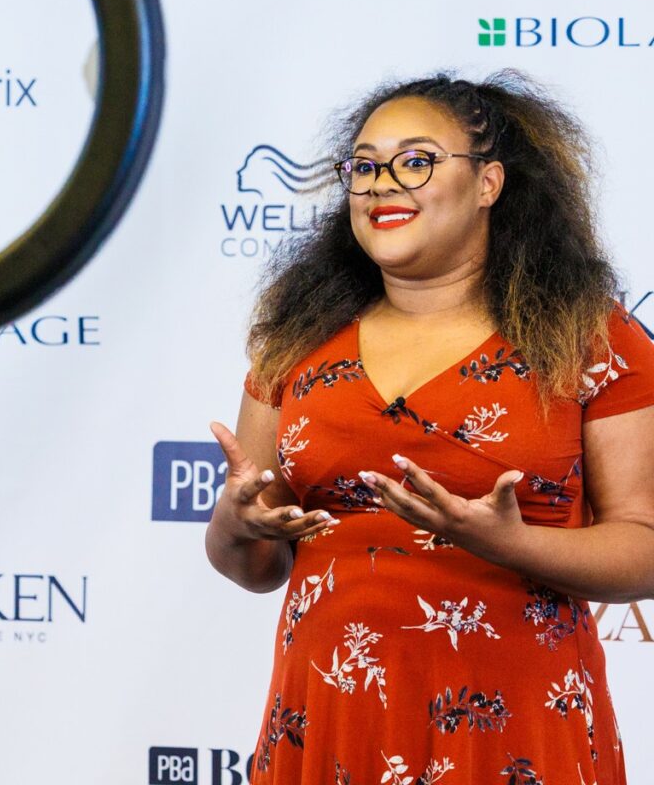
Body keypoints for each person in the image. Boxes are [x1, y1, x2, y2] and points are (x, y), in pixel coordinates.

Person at [205, 73, 654, 785]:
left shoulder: (589, 338)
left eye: (416, 161)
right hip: (330, 713)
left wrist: (511, 544)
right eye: (365, 165)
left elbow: (645, 548)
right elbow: (254, 568)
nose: (383, 183)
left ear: (488, 183)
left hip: (513, 725)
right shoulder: (296, 338)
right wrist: (235, 525)